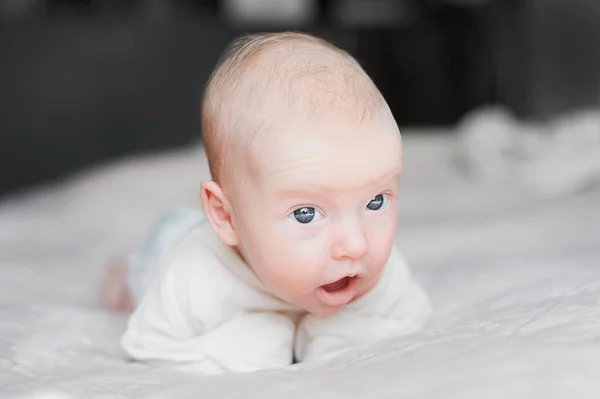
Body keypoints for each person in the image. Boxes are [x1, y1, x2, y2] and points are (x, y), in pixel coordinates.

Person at [102, 31, 432, 375]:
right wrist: (245, 348)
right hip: (169, 240)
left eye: (376, 201)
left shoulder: (372, 268)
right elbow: (147, 347)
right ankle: (123, 265)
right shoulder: (195, 277)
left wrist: (340, 334)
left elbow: (411, 316)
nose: (355, 243)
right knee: (130, 286)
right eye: (306, 214)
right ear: (225, 216)